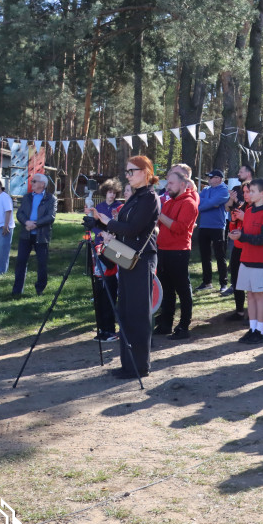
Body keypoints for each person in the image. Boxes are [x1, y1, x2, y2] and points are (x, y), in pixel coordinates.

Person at [90, 156, 160, 378]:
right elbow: (123, 228)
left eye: (132, 171)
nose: (128, 176)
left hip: (141, 261)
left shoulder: (149, 198)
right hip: (126, 256)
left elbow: (133, 228)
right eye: (127, 171)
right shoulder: (134, 197)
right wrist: (99, 223)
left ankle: (140, 366)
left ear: (146, 172)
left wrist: (106, 221)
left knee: (138, 313)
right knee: (126, 312)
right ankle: (128, 364)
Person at [230, 178, 263, 344]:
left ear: (262, 193)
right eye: (248, 191)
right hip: (246, 259)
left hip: (260, 260)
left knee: (259, 296)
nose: (249, 194)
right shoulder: (248, 211)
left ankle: (260, 331)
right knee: (250, 296)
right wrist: (238, 235)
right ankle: (252, 328)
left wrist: (243, 236)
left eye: (252, 191)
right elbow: (247, 234)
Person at [154, 172, 199, 341]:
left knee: (182, 290)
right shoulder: (169, 202)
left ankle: (184, 326)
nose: (168, 187)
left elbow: (179, 228)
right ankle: (166, 323)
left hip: (178, 251)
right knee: (166, 289)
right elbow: (160, 224)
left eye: (171, 183)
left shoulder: (189, 203)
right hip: (163, 249)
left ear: (182, 184)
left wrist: (159, 215)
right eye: (168, 184)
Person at [12, 173, 56, 297]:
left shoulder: (51, 198)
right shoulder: (27, 197)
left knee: (42, 263)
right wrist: (26, 222)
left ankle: (40, 289)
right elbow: (19, 213)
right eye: (32, 181)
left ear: (43, 184)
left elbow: (50, 216)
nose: (32, 183)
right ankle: (17, 290)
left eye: (34, 181)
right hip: (26, 235)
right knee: (21, 262)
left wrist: (35, 224)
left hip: (41, 236)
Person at [89, 179, 122, 341]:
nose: (112, 195)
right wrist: (101, 233)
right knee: (99, 285)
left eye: (114, 193)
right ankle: (102, 327)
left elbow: (117, 225)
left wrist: (110, 235)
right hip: (99, 243)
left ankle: (109, 329)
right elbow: (95, 224)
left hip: (112, 245)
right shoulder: (100, 207)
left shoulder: (118, 207)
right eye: (110, 192)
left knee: (109, 284)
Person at [196, 169, 230, 292]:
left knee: (220, 256)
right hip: (204, 226)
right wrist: (210, 203)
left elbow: (209, 203)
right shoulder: (205, 190)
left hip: (218, 227)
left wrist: (209, 203)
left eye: (211, 177)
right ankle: (207, 282)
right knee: (205, 256)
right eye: (209, 177)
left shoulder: (224, 190)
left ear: (219, 179)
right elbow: (198, 204)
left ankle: (223, 283)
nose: (209, 179)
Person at [226, 184, 250, 320]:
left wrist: (244, 217)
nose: (246, 194)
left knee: (251, 283)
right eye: (244, 192)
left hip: (250, 249)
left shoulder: (258, 209)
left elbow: (256, 226)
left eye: (249, 192)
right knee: (236, 279)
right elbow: (232, 227)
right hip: (237, 247)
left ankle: (253, 315)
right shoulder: (240, 208)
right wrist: (234, 221)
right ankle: (239, 310)